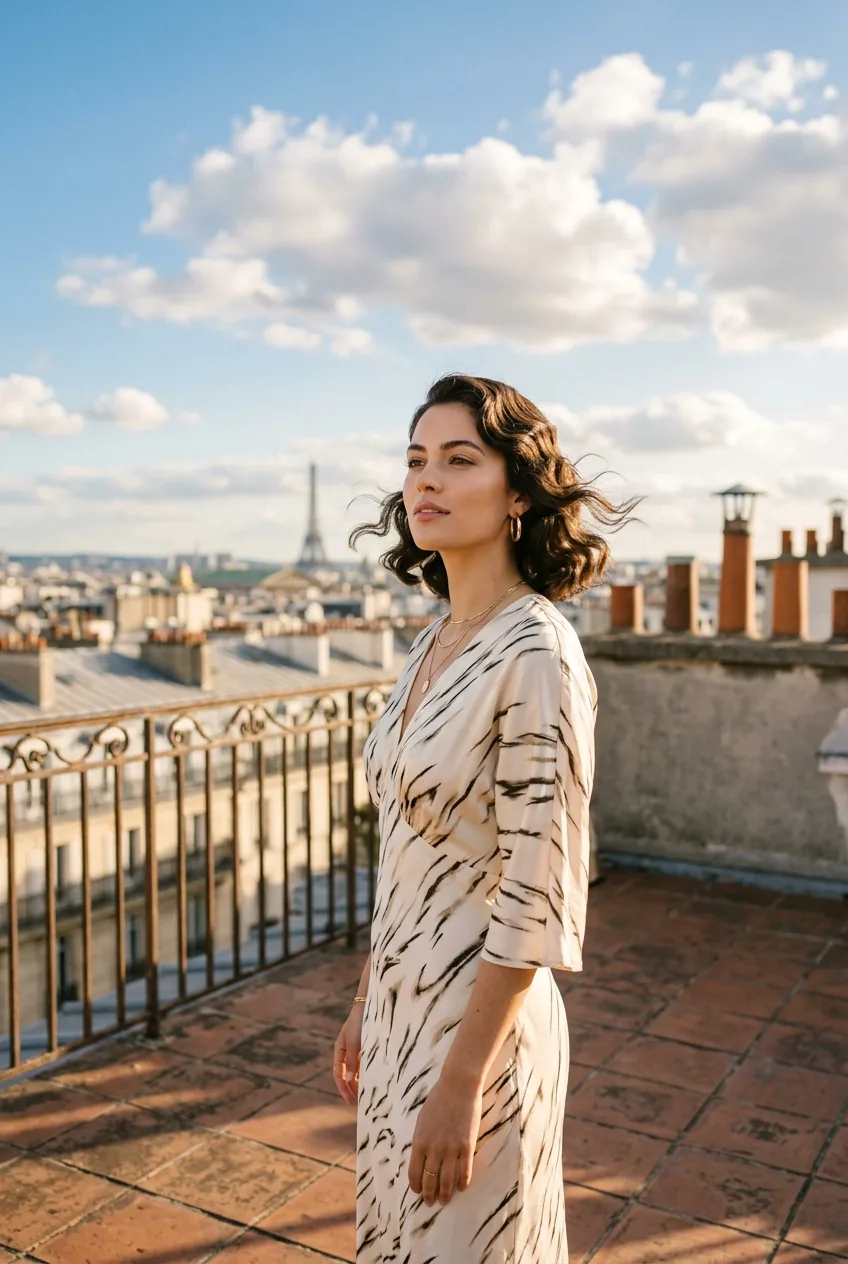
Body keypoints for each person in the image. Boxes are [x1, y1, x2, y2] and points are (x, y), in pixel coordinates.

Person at [334, 373, 638, 1263]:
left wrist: (464, 1080)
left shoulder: (537, 649)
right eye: (415, 460)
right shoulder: (434, 641)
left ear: (516, 494)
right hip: (401, 1012)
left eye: (459, 460)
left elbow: (539, 888)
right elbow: (407, 852)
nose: (425, 480)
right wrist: (366, 999)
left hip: (480, 1035)